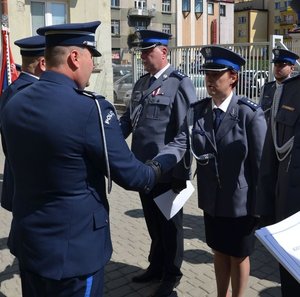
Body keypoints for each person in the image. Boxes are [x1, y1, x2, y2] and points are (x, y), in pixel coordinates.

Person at [0, 21, 177, 297]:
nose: (92, 66)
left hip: (30, 247)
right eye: (90, 57)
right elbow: (134, 177)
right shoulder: (90, 110)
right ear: (74, 57)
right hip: (74, 257)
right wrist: (167, 159)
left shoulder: (13, 103)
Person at [184, 46, 267, 297]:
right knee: (219, 251)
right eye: (207, 74)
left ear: (233, 77)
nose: (209, 80)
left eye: (216, 74)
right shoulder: (199, 112)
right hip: (213, 201)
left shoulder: (249, 114)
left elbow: (261, 166)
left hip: (241, 204)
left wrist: (258, 208)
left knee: (239, 255)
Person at [120, 29, 197, 296]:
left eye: (147, 51)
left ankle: (171, 275)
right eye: (141, 52)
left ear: (163, 52)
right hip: (143, 170)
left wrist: (182, 171)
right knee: (153, 224)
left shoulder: (179, 83)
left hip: (166, 171)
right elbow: (128, 121)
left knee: (170, 227)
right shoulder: (142, 83)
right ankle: (156, 266)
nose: (142, 56)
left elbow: (187, 132)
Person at [255, 64, 300, 295]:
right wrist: (266, 212)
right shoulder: (288, 91)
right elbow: (271, 158)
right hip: (290, 216)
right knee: (291, 286)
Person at [0, 35, 46, 211]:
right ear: (43, 62)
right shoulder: (33, 95)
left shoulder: (12, 89)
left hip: (16, 178)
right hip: (30, 185)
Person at [259, 48, 299, 123]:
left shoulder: (296, 91)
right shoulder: (266, 88)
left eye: (281, 65)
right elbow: (259, 114)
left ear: (292, 68)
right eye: (275, 65)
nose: (277, 68)